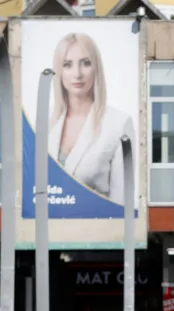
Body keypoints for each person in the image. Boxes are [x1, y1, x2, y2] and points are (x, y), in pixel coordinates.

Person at [48, 32, 136, 207]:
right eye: (67, 65)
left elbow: (121, 202)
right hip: (48, 229)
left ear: (97, 68)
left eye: (86, 63)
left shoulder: (119, 124)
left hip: (96, 229)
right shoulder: (45, 123)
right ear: (58, 72)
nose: (77, 74)